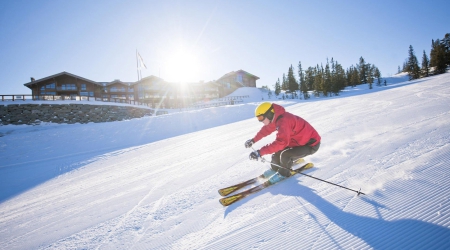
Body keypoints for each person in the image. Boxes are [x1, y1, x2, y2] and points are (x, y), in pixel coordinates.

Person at [244, 102, 321, 181]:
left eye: (261, 118)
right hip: (297, 142)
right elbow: (266, 130)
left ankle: (283, 174)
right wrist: (253, 140)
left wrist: (260, 152)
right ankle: (275, 168)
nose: (260, 121)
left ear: (269, 114)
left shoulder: (284, 121)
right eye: (258, 118)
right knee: (277, 153)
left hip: (310, 144)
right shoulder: (276, 118)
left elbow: (281, 142)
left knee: (285, 155)